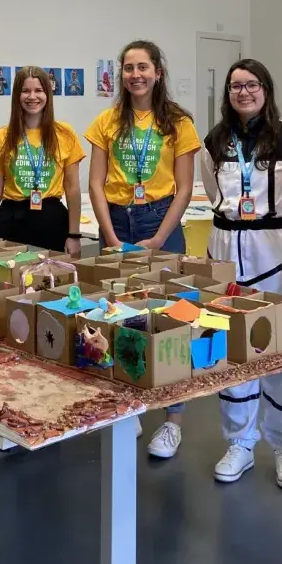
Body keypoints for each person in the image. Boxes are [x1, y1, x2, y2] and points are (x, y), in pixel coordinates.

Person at [201, 59, 282, 491]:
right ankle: (240, 443)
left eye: (251, 85)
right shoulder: (214, 142)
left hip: (280, 256)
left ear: (266, 89)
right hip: (227, 254)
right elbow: (215, 195)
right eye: (235, 86)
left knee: (278, 351)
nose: (243, 92)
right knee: (232, 352)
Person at [86, 40, 200, 454]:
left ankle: (172, 419)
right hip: (116, 221)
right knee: (116, 312)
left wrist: (159, 236)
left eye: (143, 67)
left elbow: (184, 188)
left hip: (160, 219)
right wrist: (110, 235)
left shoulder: (178, 123)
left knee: (171, 315)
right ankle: (128, 404)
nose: (135, 75)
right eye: (128, 68)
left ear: (158, 72)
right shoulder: (107, 121)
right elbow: (95, 183)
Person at [0, 66, 85, 257]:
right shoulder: (2, 137)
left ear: (48, 94)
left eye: (39, 90)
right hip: (10, 219)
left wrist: (74, 234)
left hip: (51, 221)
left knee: (49, 282)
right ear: (17, 96)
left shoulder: (64, 134)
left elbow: (73, 188)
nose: (32, 96)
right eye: (25, 91)